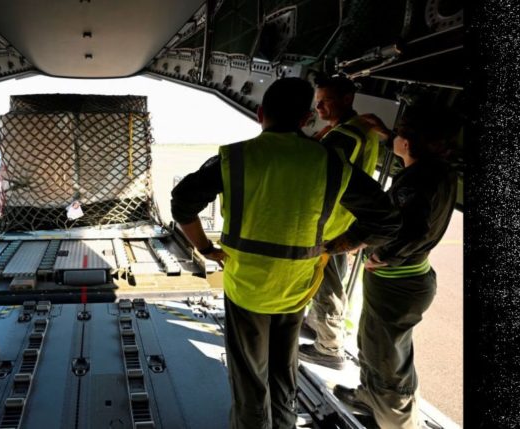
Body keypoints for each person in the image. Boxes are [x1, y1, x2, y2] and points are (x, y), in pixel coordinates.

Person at [170, 78, 401, 428]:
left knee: (249, 375)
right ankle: (284, 421)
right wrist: (341, 245)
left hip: (246, 287)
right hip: (297, 287)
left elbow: (182, 203)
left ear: (261, 113)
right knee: (283, 366)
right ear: (308, 119)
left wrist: (205, 248)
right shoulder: (331, 162)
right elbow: (385, 219)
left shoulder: (234, 158)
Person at [332, 104, 460, 428]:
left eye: (400, 134)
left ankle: (395, 421)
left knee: (388, 361)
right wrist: (389, 134)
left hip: (397, 283)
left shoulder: (414, 184)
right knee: (377, 347)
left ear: (410, 143)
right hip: (404, 282)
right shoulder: (437, 170)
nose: (395, 139)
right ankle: (371, 395)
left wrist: (383, 256)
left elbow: (414, 229)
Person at [299, 76, 382, 370]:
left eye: (326, 101)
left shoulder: (344, 136)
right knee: (331, 282)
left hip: (329, 225)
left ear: (347, 99)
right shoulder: (359, 127)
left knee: (327, 286)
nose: (318, 107)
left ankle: (329, 347)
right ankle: (317, 326)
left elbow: (308, 163)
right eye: (317, 101)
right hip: (342, 220)